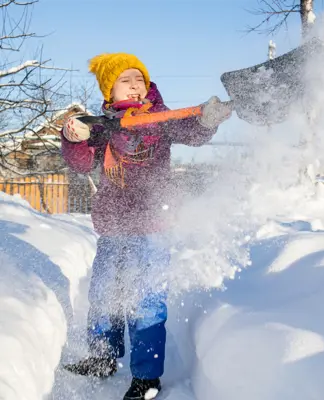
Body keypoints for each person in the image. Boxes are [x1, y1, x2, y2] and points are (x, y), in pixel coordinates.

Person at [61, 52, 231, 400]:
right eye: (127, 79)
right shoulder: (101, 126)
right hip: (112, 226)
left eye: (140, 78)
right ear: (110, 89)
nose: (136, 85)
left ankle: (146, 377)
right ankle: (102, 357)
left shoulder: (161, 118)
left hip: (152, 224)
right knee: (104, 294)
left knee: (146, 301)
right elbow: (81, 163)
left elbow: (192, 131)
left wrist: (207, 121)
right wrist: (73, 138)